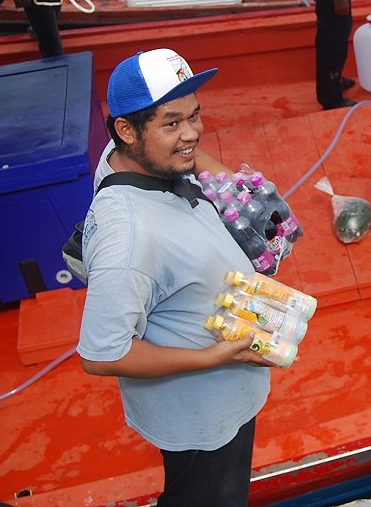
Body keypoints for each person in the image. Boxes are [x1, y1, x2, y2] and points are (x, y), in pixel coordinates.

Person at [77, 48, 271, 507]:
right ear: (126, 130)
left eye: (195, 116)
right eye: (172, 124)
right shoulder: (128, 236)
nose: (192, 134)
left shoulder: (133, 155)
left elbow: (184, 147)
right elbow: (101, 354)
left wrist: (197, 160)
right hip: (202, 415)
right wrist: (216, 357)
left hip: (226, 386)